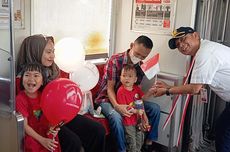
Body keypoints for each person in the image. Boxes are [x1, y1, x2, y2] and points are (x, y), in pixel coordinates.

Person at [16, 34, 106, 152]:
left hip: (62, 115)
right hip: (44, 121)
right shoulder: (25, 79)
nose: (52, 56)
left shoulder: (52, 71)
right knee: (73, 142)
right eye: (48, 52)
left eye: (53, 51)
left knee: (98, 129)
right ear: (35, 51)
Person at [153, 26, 230, 152]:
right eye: (178, 45)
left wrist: (167, 90)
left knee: (223, 134)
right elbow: (200, 85)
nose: (182, 46)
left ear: (196, 35)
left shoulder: (205, 53)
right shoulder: (206, 49)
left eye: (183, 39)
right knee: (223, 131)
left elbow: (194, 88)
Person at [95, 35, 161, 152]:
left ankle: (147, 143)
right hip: (107, 98)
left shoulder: (140, 67)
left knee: (155, 108)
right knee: (116, 117)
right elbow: (110, 88)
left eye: (143, 56)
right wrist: (117, 106)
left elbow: (136, 94)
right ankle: (122, 149)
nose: (139, 58)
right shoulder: (115, 60)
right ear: (131, 46)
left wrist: (143, 114)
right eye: (137, 54)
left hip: (129, 99)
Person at [16, 63, 61, 152]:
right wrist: (42, 140)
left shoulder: (45, 96)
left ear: (42, 82)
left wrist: (53, 128)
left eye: (36, 75)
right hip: (32, 137)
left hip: (45, 133)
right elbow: (24, 126)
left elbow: (50, 119)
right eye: (27, 75)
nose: (31, 78)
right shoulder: (20, 99)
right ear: (22, 80)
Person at [117, 64, 152, 152]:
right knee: (131, 142)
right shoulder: (121, 91)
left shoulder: (136, 89)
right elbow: (125, 108)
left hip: (138, 121)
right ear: (120, 78)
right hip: (128, 123)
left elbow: (141, 101)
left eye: (130, 76)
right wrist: (136, 111)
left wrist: (151, 92)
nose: (127, 78)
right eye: (124, 76)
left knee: (140, 140)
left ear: (135, 79)